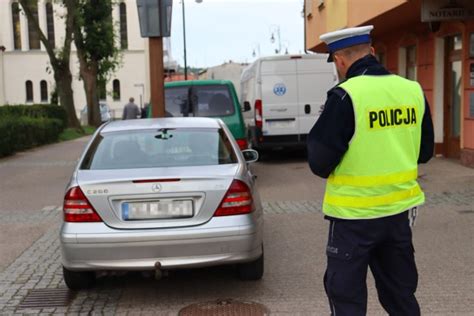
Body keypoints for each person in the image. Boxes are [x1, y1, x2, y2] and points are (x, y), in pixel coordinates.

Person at [307, 25, 434, 316]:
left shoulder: (344, 97)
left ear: (339, 60)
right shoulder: (412, 90)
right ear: (373, 52)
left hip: (354, 218)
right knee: (401, 295)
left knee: (347, 298)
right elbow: (425, 152)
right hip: (398, 214)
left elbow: (319, 162)